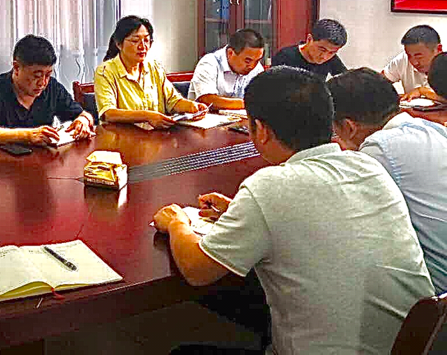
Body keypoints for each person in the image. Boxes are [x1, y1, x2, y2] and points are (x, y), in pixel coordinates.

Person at [153, 67, 434, 354]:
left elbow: (197, 270)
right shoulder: (368, 167)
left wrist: (177, 223)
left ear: (261, 130)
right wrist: (240, 212)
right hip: (416, 345)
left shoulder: (269, 186)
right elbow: (315, 217)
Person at [328, 67, 447, 294]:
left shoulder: (378, 150)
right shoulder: (433, 129)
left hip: (434, 294)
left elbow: (343, 220)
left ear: (349, 127)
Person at [0, 35, 94, 145]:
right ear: (16, 68)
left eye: (48, 75)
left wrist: (83, 121)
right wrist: (27, 135)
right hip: (0, 160)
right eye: (37, 76)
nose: (42, 83)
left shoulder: (52, 87)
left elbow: (83, 114)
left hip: (42, 160)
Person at [93, 16, 207, 128]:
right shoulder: (105, 72)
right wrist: (147, 116)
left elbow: (172, 101)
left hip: (156, 136)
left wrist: (192, 106)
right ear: (119, 44)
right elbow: (108, 113)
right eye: (135, 41)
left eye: (147, 40)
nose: (142, 46)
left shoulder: (154, 67)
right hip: (121, 138)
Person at [188, 29, 265, 110]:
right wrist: (246, 104)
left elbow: (262, 96)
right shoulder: (209, 63)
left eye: (257, 60)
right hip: (207, 117)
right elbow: (207, 100)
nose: (252, 66)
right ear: (230, 53)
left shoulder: (256, 67)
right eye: (247, 61)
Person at [271, 18, 347, 78]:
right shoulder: (285, 56)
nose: (324, 56)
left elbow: (346, 80)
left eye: (332, 52)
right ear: (309, 39)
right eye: (322, 49)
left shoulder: (332, 58)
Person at [382, 24, 442, 100]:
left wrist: (422, 91)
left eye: (418, 56)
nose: (414, 62)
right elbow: (378, 84)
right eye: (409, 56)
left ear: (438, 49)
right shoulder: (403, 59)